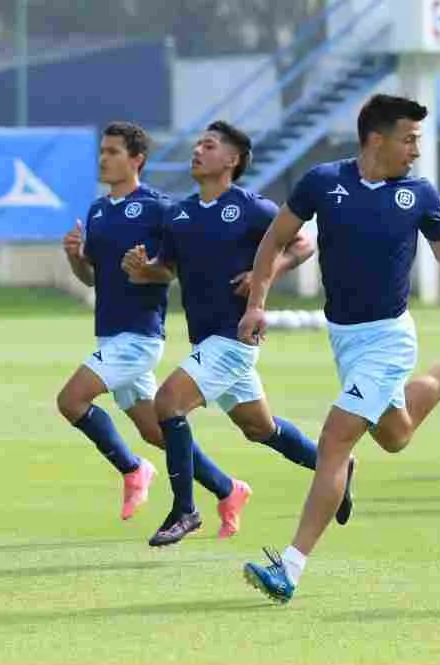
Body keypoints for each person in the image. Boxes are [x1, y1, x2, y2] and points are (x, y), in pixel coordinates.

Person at [238, 94, 440, 603]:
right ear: (376, 139)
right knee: (395, 435)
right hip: (343, 338)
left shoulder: (418, 193)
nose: (416, 149)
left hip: (389, 340)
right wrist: (257, 303)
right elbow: (274, 240)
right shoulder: (323, 182)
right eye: (409, 139)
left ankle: (291, 569)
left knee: (334, 446)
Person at [122, 121, 336, 547]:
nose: (197, 150)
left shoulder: (253, 208)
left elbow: (302, 245)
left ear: (232, 160)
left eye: (209, 145)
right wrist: (143, 270)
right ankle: (337, 469)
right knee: (261, 429)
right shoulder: (179, 214)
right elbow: (168, 268)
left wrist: (265, 271)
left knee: (167, 403)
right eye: (198, 144)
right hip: (206, 339)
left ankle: (185, 509)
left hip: (234, 337)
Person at [57, 122, 172, 521]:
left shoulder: (159, 207)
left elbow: (174, 268)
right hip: (110, 334)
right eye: (102, 151)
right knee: (158, 433)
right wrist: (76, 256)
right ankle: (228, 488)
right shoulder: (98, 210)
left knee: (71, 400)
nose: (103, 159)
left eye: (113, 152)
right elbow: (92, 277)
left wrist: (149, 268)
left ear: (136, 159)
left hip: (140, 334)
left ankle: (133, 469)